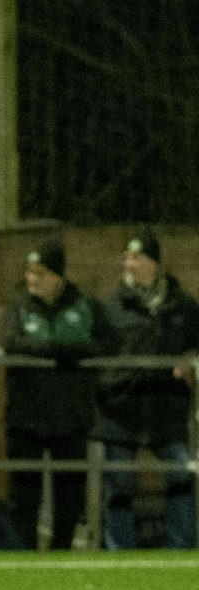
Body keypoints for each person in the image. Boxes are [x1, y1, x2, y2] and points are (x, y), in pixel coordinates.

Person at [2, 239, 117, 551]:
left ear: (57, 275)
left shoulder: (84, 305)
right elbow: (12, 343)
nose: (32, 279)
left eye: (39, 273)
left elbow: (108, 344)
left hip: (71, 418)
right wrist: (61, 351)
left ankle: (61, 557)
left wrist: (72, 353)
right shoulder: (19, 305)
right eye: (29, 272)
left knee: (69, 499)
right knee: (24, 499)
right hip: (26, 418)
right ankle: (24, 561)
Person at [93, 231, 198, 549]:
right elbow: (97, 355)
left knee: (182, 473)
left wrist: (191, 359)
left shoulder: (182, 305)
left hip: (166, 408)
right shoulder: (111, 306)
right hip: (121, 410)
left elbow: (195, 343)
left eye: (137, 257)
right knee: (119, 482)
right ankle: (119, 551)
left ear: (154, 263)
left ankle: (180, 546)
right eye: (126, 257)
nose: (129, 264)